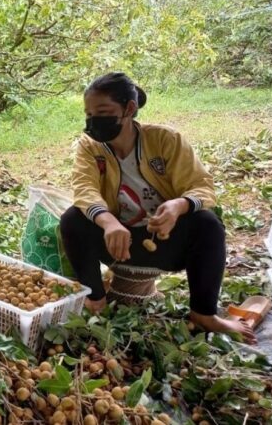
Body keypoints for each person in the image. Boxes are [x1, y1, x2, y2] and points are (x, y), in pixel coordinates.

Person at [59, 72, 255, 343]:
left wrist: (178, 206)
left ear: (129, 109)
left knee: (208, 224)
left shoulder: (165, 140)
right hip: (118, 244)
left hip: (163, 242)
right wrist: (108, 222)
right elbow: (84, 189)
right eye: (89, 114)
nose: (93, 121)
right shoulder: (90, 147)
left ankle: (204, 314)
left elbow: (202, 186)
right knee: (72, 219)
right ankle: (95, 301)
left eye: (103, 112)